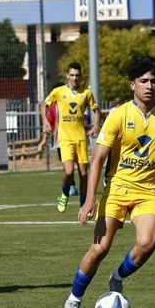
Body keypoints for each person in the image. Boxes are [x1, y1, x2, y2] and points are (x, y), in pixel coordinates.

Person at [62, 55, 155, 308]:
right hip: (117, 190)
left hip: (148, 192)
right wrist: (89, 199)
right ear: (132, 85)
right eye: (144, 81)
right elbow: (98, 158)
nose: (149, 86)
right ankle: (74, 298)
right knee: (99, 248)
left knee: (147, 243)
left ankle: (116, 277)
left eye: (153, 81)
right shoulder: (118, 115)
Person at [41, 62, 100, 212]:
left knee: (84, 174)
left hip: (81, 139)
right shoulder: (58, 91)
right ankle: (64, 194)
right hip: (65, 138)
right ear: (67, 75)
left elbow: (96, 111)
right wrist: (45, 122)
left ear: (81, 76)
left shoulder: (86, 93)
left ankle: (83, 204)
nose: (74, 78)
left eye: (77, 75)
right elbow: (44, 105)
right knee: (68, 171)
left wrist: (95, 127)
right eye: (72, 75)